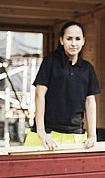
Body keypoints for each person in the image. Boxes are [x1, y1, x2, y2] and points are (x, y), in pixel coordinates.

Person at [24, 21, 100, 150]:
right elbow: (39, 94)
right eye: (69, 39)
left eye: (77, 39)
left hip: (75, 135)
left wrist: (92, 135)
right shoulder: (50, 62)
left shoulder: (87, 69)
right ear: (61, 40)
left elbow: (90, 101)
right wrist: (41, 131)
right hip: (47, 134)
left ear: (83, 41)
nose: (74, 43)